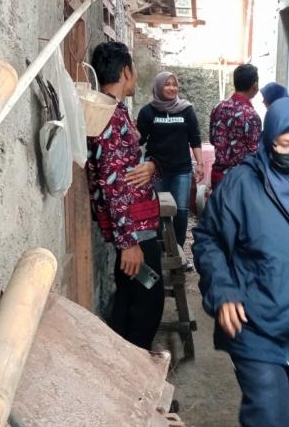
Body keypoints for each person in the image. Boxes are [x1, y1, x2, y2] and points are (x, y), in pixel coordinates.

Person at [193, 97, 289, 427]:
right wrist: (222, 291)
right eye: (285, 145)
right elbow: (209, 240)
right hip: (256, 328)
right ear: (268, 140)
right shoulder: (241, 185)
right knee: (269, 415)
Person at [85, 41, 163, 350]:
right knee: (146, 305)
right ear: (126, 71)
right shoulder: (110, 116)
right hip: (134, 230)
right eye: (134, 70)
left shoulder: (112, 111)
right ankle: (135, 369)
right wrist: (128, 243)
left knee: (130, 299)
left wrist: (151, 166)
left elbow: (123, 170)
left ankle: (120, 366)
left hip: (131, 226)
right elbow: (113, 183)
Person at [136, 71, 203, 250]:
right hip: (155, 170)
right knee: (158, 210)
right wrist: (130, 132)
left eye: (174, 84)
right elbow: (139, 139)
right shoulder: (148, 111)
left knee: (181, 211)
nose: (172, 88)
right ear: (158, 87)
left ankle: (178, 249)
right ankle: (161, 249)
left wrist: (200, 164)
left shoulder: (186, 109)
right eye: (167, 84)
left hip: (181, 170)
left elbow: (195, 138)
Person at [209, 63, 262, 189]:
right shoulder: (251, 116)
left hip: (218, 177)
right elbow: (254, 152)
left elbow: (212, 139)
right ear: (255, 86)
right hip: (240, 181)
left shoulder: (218, 107)